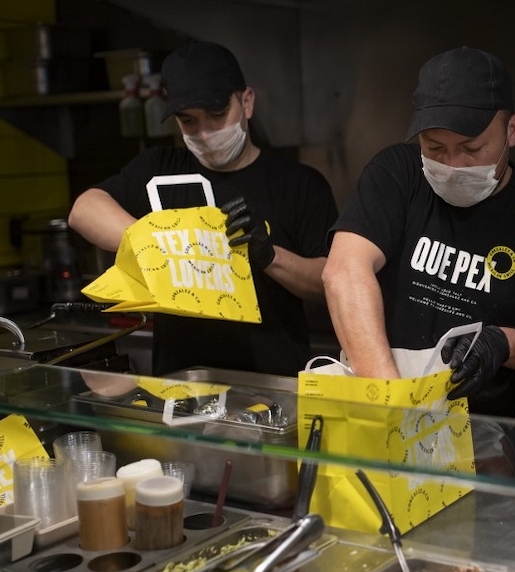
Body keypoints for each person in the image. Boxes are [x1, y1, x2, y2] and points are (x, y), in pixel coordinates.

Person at [322, 46, 515, 420]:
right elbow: (344, 272)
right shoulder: (397, 174)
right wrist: (393, 408)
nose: (453, 164)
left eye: (471, 148)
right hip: (378, 411)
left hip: (480, 434)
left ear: (512, 130)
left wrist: (505, 343)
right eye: (435, 148)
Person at [69, 41, 337, 377]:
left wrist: (270, 257)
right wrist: (158, 241)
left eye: (217, 114)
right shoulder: (160, 168)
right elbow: (84, 209)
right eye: (188, 121)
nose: (206, 133)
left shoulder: (300, 184)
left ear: (247, 102)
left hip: (273, 385)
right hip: (181, 383)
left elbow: (328, 284)